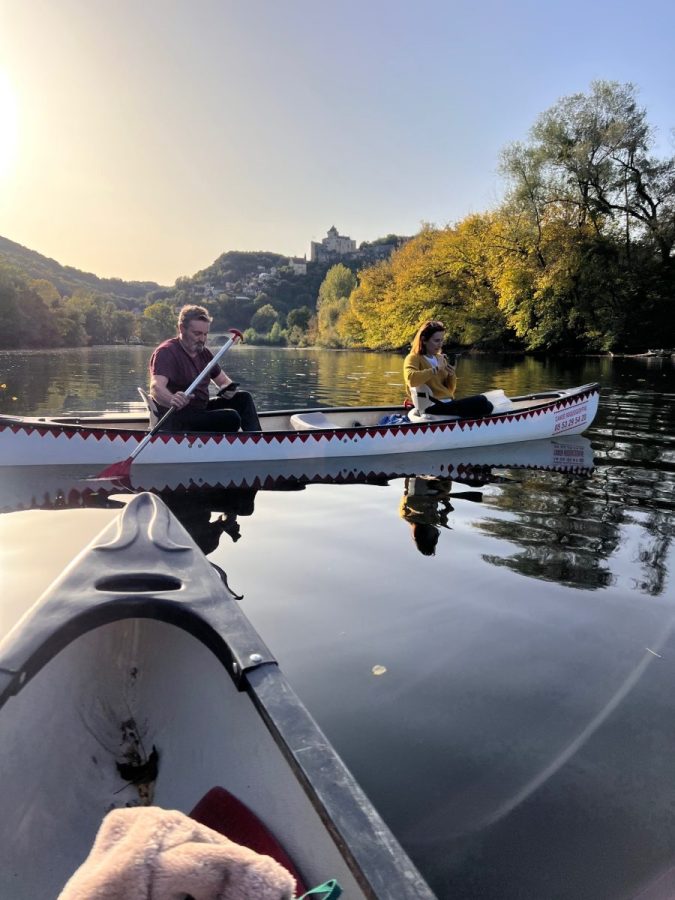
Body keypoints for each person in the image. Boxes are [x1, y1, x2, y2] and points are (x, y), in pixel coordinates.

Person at [149, 305, 261, 432]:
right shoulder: (167, 352)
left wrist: (227, 388)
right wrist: (171, 399)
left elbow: (223, 381)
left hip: (200, 411)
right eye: (197, 334)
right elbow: (156, 387)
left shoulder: (203, 353)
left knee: (243, 399)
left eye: (205, 334)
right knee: (231, 418)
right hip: (176, 416)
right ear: (182, 328)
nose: (202, 339)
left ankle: (258, 440)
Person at [403, 319, 493, 418]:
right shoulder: (413, 357)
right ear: (424, 340)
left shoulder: (440, 358)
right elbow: (411, 379)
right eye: (437, 340)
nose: (440, 344)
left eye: (442, 340)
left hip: (446, 403)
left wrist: (451, 374)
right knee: (481, 401)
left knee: (485, 402)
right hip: (433, 406)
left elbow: (450, 390)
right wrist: (436, 369)